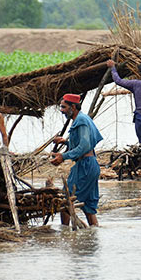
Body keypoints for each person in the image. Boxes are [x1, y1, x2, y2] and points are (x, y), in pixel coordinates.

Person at [51, 93, 103, 227]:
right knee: (88, 207)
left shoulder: (80, 120)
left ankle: (66, 233)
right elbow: (84, 144)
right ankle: (93, 235)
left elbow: (85, 146)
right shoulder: (84, 118)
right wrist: (65, 142)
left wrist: (63, 156)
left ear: (73, 107)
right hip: (90, 165)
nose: (62, 110)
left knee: (66, 200)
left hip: (85, 166)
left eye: (64, 107)